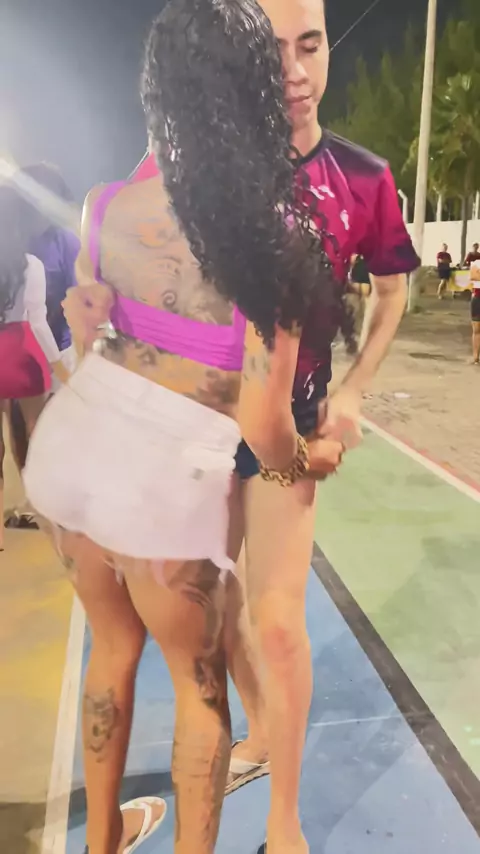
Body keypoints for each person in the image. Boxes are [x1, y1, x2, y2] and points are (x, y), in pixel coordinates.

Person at [62, 2, 420, 852]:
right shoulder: (185, 159)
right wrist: (96, 312)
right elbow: (116, 274)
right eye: (273, 51)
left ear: (327, 49)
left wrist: (354, 390)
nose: (293, 71)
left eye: (310, 45)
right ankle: (255, 734)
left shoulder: (364, 177)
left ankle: (286, 825)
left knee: (279, 622)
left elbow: (394, 291)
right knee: (215, 625)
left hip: (281, 422)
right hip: (196, 431)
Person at [4, 164, 80, 529]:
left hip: (56, 347)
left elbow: (78, 297)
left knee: (50, 430)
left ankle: (55, 503)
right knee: (27, 429)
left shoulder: (64, 242)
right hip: (26, 354)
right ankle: (40, 504)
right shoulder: (16, 246)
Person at [470, 259, 480, 364]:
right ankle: (476, 357)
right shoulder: (476, 263)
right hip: (478, 297)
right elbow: (473, 276)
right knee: (477, 329)